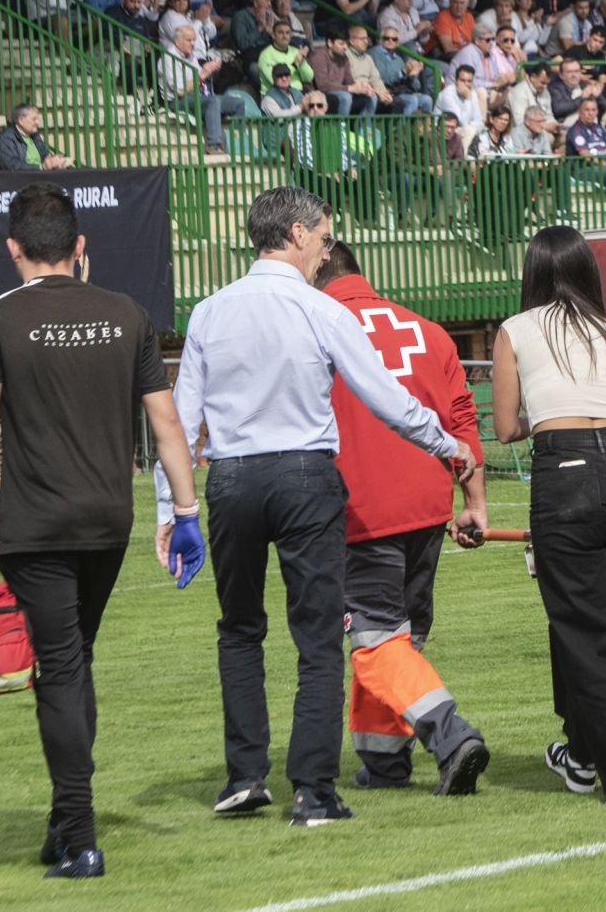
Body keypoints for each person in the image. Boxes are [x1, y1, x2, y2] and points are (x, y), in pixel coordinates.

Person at [0, 184, 206, 879]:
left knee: (62, 668)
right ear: (80, 248)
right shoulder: (125, 313)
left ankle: (78, 835)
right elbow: (166, 421)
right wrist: (189, 512)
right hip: (108, 520)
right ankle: (63, 820)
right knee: (72, 661)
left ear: (13, 249)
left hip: (38, 526)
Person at [172, 187, 475, 827]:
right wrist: (446, 443)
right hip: (306, 473)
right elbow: (385, 398)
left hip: (231, 478)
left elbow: (179, 423)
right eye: (325, 238)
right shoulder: (318, 308)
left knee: (239, 630)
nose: (324, 252)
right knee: (317, 639)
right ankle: (312, 790)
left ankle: (244, 778)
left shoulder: (208, 311)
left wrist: (172, 511)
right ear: (301, 234)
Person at [491, 225, 606, 806]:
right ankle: (580, 752)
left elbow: (502, 427)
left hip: (566, 476)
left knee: (586, 632)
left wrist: (544, 416)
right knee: (591, 623)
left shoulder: (516, 330)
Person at [311, 242, 490, 795]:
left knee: (375, 639)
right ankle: (384, 761)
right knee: (392, 638)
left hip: (361, 506)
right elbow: (462, 420)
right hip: (427, 502)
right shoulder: (427, 330)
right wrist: (474, 502)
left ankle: (449, 735)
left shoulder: (316, 328)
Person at [0, 103, 73, 170]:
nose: (37, 122)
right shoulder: (6, 138)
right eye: (34, 119)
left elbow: (45, 154)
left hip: (37, 177)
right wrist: (42, 167)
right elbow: (11, 165)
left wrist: (55, 161)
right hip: (17, 182)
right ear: (21, 120)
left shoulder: (34, 135)